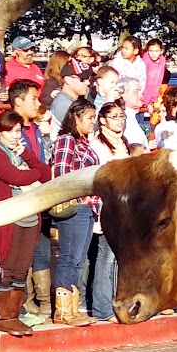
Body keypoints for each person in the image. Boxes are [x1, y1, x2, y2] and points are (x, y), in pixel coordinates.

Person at [0, 109, 52, 333]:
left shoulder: (21, 152)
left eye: (17, 131)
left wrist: (28, 158)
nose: (15, 136)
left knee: (22, 269)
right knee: (7, 266)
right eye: (9, 131)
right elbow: (16, 177)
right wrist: (31, 176)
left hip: (30, 218)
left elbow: (46, 174)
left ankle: (15, 312)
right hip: (8, 218)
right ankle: (3, 317)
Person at [49, 99, 99, 326]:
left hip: (88, 208)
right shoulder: (66, 141)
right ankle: (62, 311)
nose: (93, 122)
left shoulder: (84, 143)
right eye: (89, 118)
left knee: (78, 260)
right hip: (75, 208)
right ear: (75, 118)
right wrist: (80, 197)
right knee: (68, 257)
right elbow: (61, 174)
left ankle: (73, 306)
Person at [85, 101, 132, 320]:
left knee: (117, 260)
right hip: (107, 208)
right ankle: (102, 309)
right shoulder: (97, 145)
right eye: (114, 117)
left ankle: (114, 302)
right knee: (105, 258)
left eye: (122, 116)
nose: (120, 121)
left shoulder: (124, 143)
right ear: (102, 120)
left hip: (126, 209)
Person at [48, 58, 94, 125]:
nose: (88, 83)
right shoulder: (64, 106)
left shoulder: (73, 101)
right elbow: (82, 129)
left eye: (88, 79)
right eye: (83, 79)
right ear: (68, 80)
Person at [140, 39, 168, 111]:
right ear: (147, 51)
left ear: (161, 51)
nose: (153, 54)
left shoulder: (162, 61)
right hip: (139, 98)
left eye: (156, 51)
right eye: (151, 51)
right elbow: (141, 82)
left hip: (151, 99)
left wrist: (151, 102)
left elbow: (158, 82)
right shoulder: (144, 62)